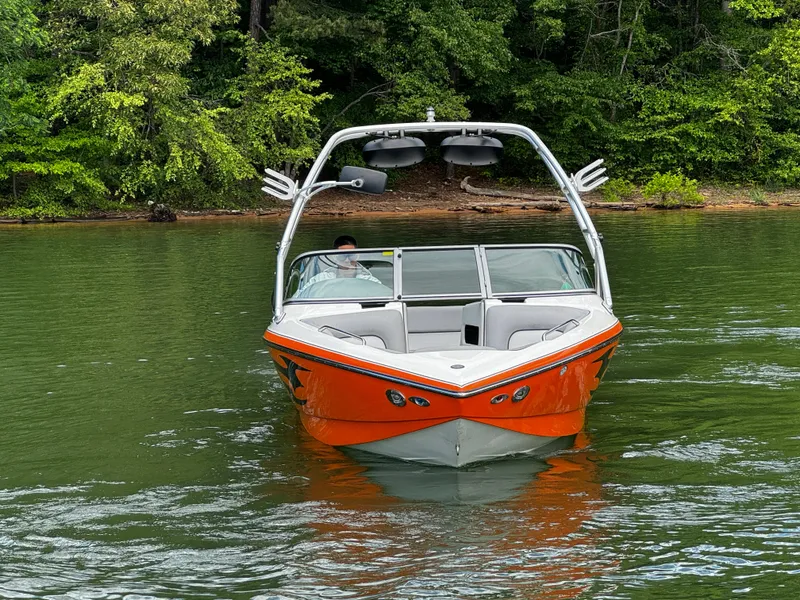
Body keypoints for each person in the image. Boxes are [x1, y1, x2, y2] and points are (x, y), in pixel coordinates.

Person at [298, 235, 382, 292]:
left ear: (357, 256)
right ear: (334, 257)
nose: (347, 260)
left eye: (351, 255)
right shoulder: (321, 279)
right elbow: (299, 296)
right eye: (342, 256)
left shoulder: (369, 281)